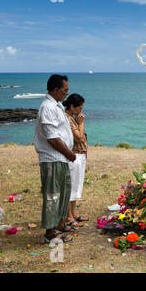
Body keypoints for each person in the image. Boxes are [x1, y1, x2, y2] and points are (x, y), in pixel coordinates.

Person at [34, 74, 75, 243]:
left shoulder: (56, 105)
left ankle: (59, 224)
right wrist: (69, 153)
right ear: (56, 89)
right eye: (65, 90)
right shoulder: (48, 107)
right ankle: (50, 233)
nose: (67, 93)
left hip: (61, 158)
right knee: (53, 195)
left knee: (63, 193)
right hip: (52, 158)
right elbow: (52, 138)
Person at [63, 93, 89, 228]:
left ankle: (74, 213)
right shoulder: (68, 119)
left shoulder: (72, 118)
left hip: (80, 155)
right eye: (79, 108)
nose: (81, 111)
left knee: (76, 186)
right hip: (74, 155)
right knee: (71, 186)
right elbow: (78, 138)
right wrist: (81, 123)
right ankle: (69, 217)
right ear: (71, 106)